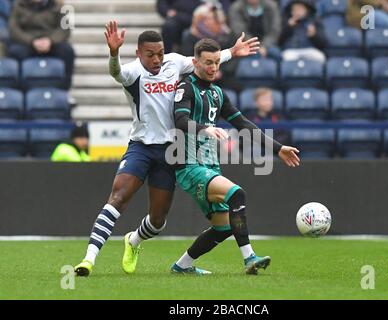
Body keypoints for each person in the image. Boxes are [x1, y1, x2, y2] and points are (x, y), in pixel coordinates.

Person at [73, 21, 260, 276]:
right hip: (141, 147)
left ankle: (134, 240)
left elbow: (202, 61)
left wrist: (231, 52)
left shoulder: (173, 62)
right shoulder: (132, 72)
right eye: (150, 55)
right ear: (139, 53)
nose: (157, 59)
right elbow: (115, 72)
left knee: (158, 222)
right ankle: (88, 260)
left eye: (160, 53)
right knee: (117, 199)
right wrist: (114, 53)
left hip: (170, 151)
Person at [169, 39, 300, 275]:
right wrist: (204, 128)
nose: (213, 67)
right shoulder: (185, 87)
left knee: (224, 227)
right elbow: (180, 120)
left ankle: (182, 265)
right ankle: (249, 258)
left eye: (217, 62)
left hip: (210, 166)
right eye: (208, 62)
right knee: (236, 194)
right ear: (195, 62)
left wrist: (278, 148)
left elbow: (243, 124)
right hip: (188, 165)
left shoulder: (218, 93)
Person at [7, 0, 75, 89]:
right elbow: (13, 29)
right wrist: (31, 41)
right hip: (28, 43)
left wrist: (51, 41)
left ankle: (65, 89)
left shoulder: (60, 6)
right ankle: (19, 90)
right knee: (15, 51)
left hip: (51, 42)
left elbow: (66, 29)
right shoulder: (18, 5)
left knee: (67, 51)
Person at [179, 3, 241, 91]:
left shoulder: (228, 36)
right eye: (205, 19)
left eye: (210, 19)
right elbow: (188, 61)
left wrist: (221, 72)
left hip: (223, 75)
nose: (206, 22)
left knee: (237, 86)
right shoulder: (191, 37)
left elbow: (234, 59)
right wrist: (205, 71)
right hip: (199, 75)